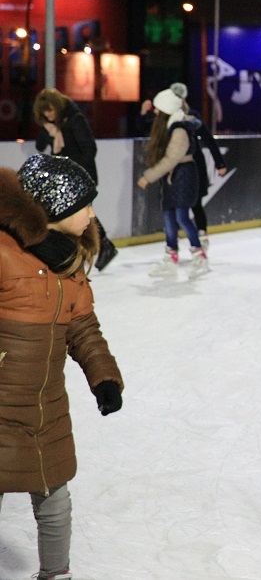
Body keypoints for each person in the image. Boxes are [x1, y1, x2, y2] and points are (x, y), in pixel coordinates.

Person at [0, 153, 124, 580]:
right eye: (84, 205)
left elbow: (83, 326)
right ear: (55, 208)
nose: (91, 214)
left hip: (45, 405)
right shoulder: (2, 254)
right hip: (0, 404)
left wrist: (104, 377)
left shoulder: (68, 264)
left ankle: (57, 575)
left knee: (55, 503)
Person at [32, 88, 118, 271]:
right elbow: (40, 146)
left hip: (81, 175)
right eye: (45, 113)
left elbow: (89, 149)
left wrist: (72, 167)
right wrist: (49, 131)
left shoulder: (75, 120)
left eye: (51, 110)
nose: (49, 115)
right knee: (76, 213)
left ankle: (102, 246)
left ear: (58, 106)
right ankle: (103, 246)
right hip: (67, 178)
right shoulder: (53, 125)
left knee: (79, 213)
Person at [137, 88, 209, 279]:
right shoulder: (170, 125)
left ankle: (198, 252)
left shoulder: (179, 130)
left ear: (166, 110)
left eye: (158, 109)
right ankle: (171, 254)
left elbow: (171, 158)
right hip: (173, 176)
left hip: (183, 176)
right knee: (168, 215)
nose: (155, 112)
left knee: (181, 216)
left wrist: (148, 176)